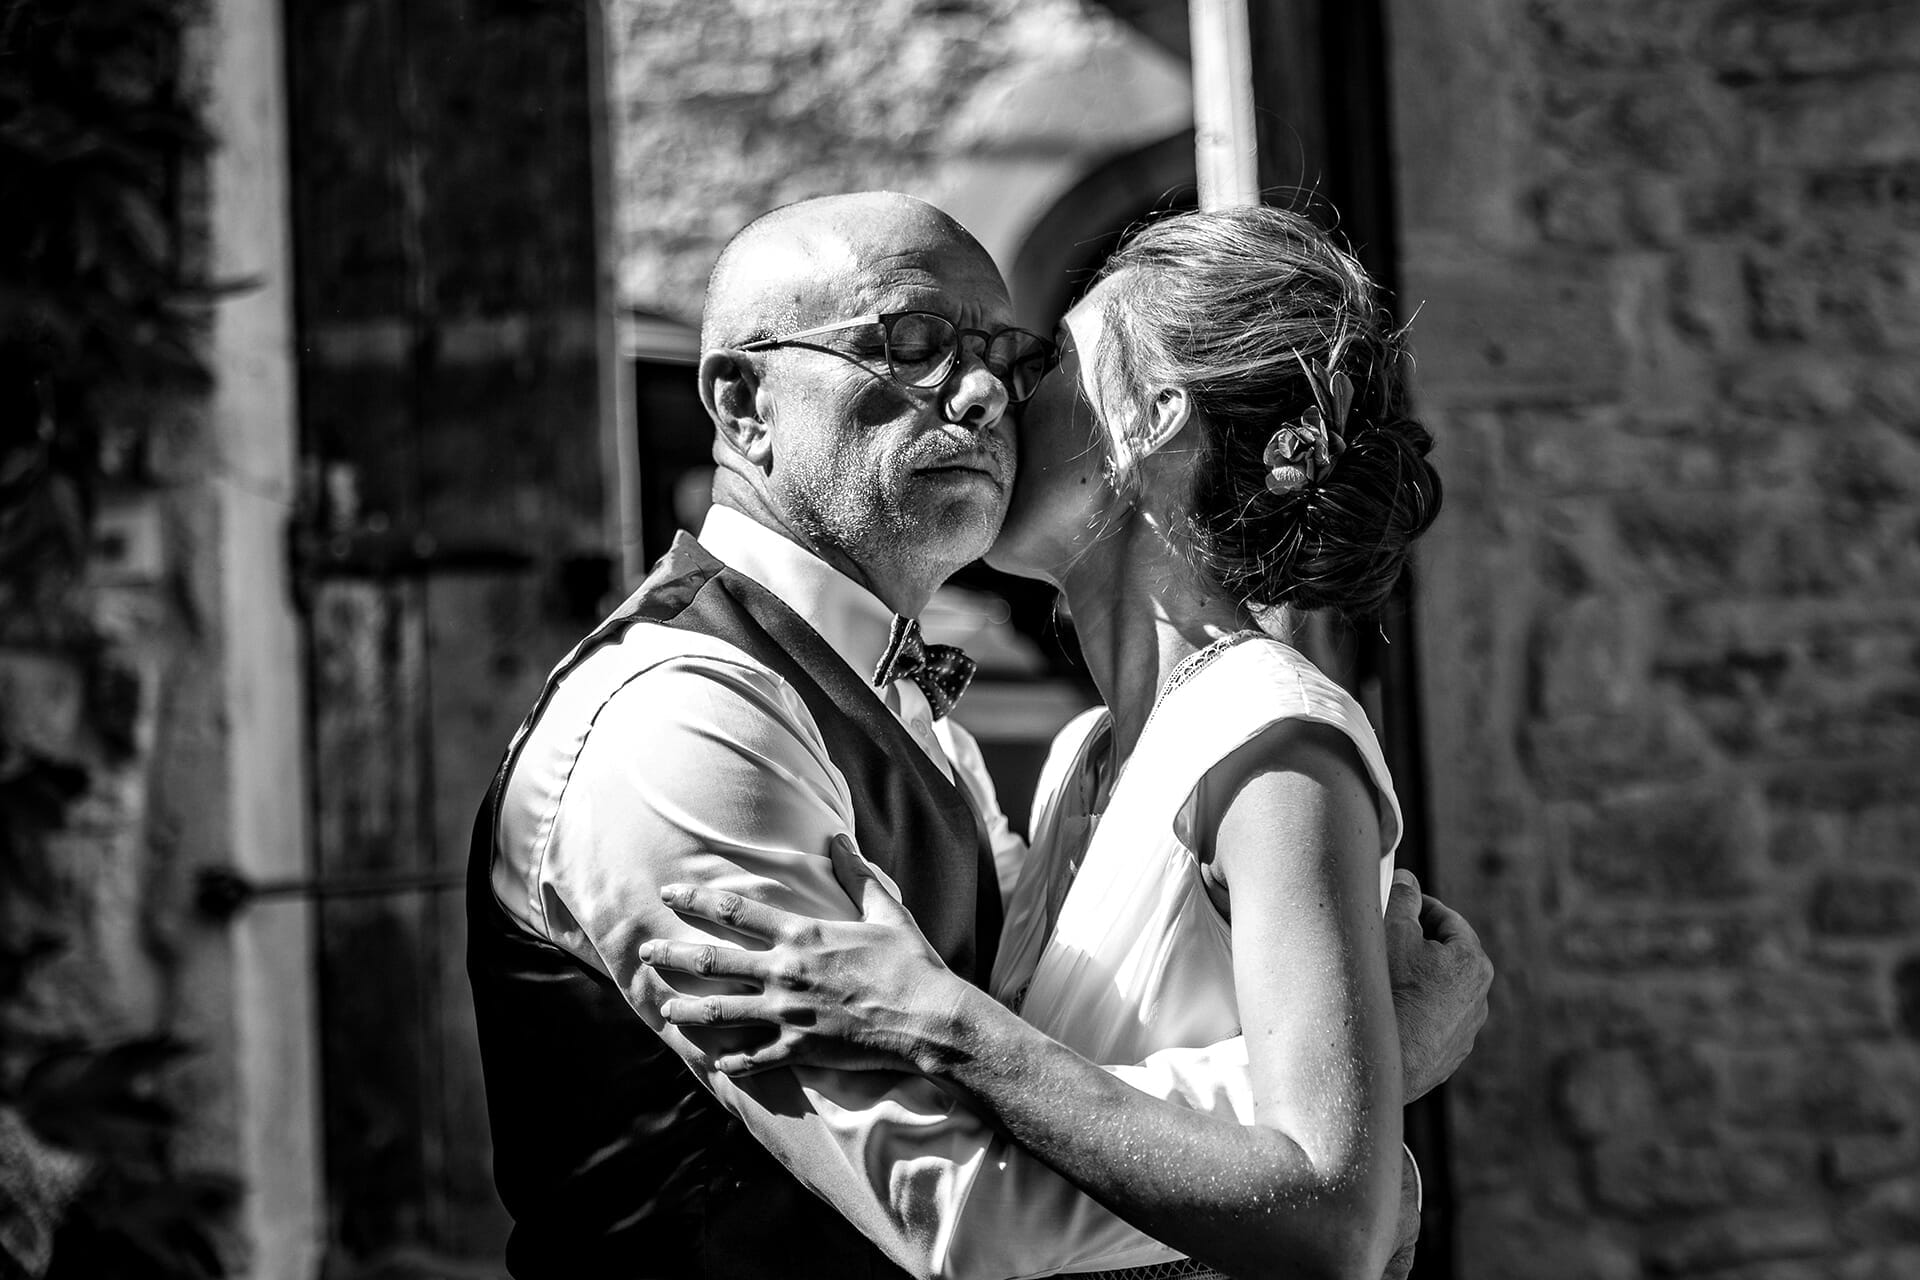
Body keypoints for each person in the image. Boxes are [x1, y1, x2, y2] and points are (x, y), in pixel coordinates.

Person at [467, 192, 1489, 1279]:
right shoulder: (681, 719)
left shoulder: (945, 719)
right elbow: (960, 1202)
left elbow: (1057, 1081)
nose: (986, 393)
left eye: (1020, 358)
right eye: (910, 344)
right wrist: (1366, 1092)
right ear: (743, 403)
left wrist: (1341, 1148)